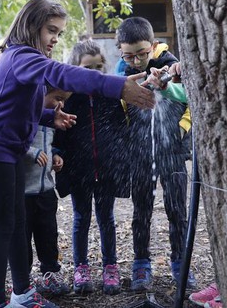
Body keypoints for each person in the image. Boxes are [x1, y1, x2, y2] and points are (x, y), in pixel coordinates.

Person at [0, 0, 155, 308]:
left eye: (59, 33)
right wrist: (118, 86)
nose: (55, 38)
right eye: (51, 30)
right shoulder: (21, 56)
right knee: (3, 229)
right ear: (31, 26)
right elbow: (64, 74)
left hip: (5, 150)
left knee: (12, 224)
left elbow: (11, 107)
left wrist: (47, 117)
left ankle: (21, 294)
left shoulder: (20, 58)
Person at [115, 17, 197, 290]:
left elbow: (190, 94)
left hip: (172, 149)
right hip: (139, 151)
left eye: (142, 53)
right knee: (141, 209)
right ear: (120, 51)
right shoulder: (121, 69)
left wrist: (165, 85)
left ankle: (180, 263)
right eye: (129, 55)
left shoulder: (171, 63)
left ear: (153, 45)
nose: (137, 61)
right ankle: (140, 263)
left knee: (177, 208)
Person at [53, 40, 129, 295]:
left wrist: (120, 162)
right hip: (79, 171)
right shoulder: (69, 101)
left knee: (106, 218)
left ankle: (110, 266)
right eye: (87, 68)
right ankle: (81, 266)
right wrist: (57, 154)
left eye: (98, 67)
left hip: (105, 170)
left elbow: (120, 130)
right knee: (81, 218)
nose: (94, 72)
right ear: (75, 68)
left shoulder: (109, 96)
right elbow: (59, 135)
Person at [25, 86, 72, 297]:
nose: (60, 105)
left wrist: (54, 156)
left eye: (63, 101)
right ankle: (22, 279)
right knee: (22, 238)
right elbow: (11, 141)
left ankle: (50, 273)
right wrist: (32, 152)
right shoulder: (24, 116)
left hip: (45, 189)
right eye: (56, 99)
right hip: (24, 191)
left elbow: (50, 144)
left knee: (48, 234)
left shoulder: (52, 120)